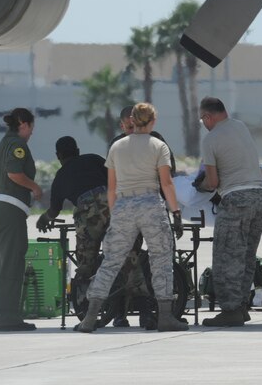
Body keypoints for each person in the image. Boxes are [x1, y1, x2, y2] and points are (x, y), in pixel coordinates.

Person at [77, 103, 187, 333]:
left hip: (123, 205)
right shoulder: (158, 146)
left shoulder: (117, 147)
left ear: (132, 121)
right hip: (150, 204)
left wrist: (117, 213)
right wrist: (175, 213)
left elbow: (111, 188)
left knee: (111, 261)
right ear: (152, 121)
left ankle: (89, 317)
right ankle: (165, 316)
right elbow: (166, 183)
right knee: (161, 259)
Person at [195, 97, 262, 327]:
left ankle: (230, 310)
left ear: (207, 116)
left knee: (227, 257)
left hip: (236, 199)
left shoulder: (210, 139)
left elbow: (214, 181)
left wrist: (201, 184)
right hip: (259, 197)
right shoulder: (240, 126)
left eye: (202, 120)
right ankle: (241, 307)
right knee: (246, 256)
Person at [35, 136, 120, 314]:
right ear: (78, 151)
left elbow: (54, 211)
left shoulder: (60, 178)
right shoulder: (93, 159)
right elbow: (115, 180)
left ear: (58, 156)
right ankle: (135, 308)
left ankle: (85, 308)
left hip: (88, 218)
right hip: (115, 208)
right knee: (123, 255)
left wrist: (43, 220)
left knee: (86, 263)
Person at [0, 107, 43, 332]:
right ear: (24, 124)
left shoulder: (2, 144)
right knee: (11, 266)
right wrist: (35, 188)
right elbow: (14, 173)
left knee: (0, 268)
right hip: (10, 212)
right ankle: (10, 319)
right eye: (31, 128)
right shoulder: (17, 145)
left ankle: (2, 317)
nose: (31, 133)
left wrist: (4, 191)